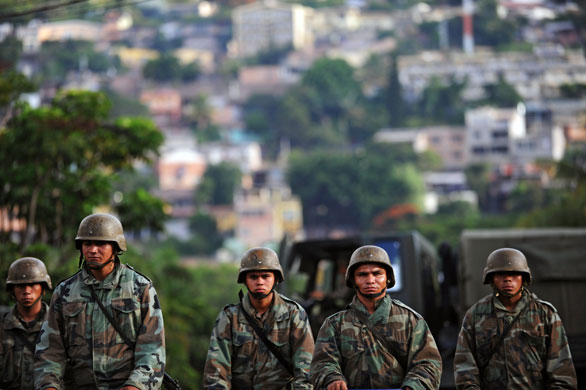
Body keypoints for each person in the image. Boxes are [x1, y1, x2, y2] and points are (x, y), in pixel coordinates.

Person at [34, 213, 166, 390]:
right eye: (87, 244)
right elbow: (50, 351)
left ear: (115, 247)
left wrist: (135, 386)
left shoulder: (140, 288)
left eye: (101, 244)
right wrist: (49, 386)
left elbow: (152, 350)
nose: (93, 250)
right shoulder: (65, 291)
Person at [310, 245, 442, 390]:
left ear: (388, 279)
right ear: (353, 280)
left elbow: (428, 363)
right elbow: (322, 363)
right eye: (362, 275)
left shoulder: (410, 320)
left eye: (377, 274)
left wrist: (413, 386)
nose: (370, 280)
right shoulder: (334, 325)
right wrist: (332, 379)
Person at [454, 247, 577, 389]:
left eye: (514, 274)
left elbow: (562, 372)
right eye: (500, 274)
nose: (507, 279)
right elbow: (465, 369)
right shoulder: (475, 316)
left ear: (523, 278)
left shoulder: (545, 314)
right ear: (491, 278)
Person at [203, 247, 314, 389]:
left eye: (266, 276)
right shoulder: (230, 317)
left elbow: (306, 370)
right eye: (253, 277)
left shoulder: (294, 315)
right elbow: (216, 372)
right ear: (245, 280)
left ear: (276, 279)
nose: (260, 282)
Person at [0, 257, 52, 390]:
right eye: (21, 285)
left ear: (43, 288)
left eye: (33, 284)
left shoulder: (58, 325)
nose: (27, 291)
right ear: (12, 289)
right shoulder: (2, 326)